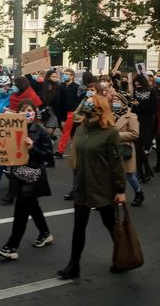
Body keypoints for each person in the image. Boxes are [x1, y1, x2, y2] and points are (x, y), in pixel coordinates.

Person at [58, 94, 126, 279]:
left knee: (110, 224)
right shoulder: (81, 129)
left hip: (102, 186)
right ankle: (74, 265)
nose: (87, 106)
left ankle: (122, 258)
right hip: (82, 184)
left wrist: (120, 190)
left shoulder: (110, 133)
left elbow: (116, 162)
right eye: (87, 103)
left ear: (100, 108)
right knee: (78, 227)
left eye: (91, 104)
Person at [0, 101, 53, 261]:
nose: (27, 113)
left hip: (33, 175)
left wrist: (32, 147)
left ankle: (11, 247)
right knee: (33, 207)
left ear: (35, 113)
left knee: (21, 210)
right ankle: (45, 233)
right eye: (23, 110)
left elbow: (48, 156)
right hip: (17, 174)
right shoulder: (13, 130)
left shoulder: (41, 131)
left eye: (30, 110)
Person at [112, 93, 144, 207]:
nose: (114, 103)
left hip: (125, 148)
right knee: (114, 174)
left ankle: (139, 193)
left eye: (117, 101)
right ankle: (116, 196)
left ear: (124, 103)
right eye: (113, 101)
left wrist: (117, 135)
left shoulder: (131, 116)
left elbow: (135, 134)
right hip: (112, 149)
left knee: (129, 174)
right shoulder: (111, 115)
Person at [131, 74, 157, 183]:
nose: (137, 86)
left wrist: (139, 105)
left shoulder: (151, 93)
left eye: (139, 84)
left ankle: (144, 171)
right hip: (136, 121)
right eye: (135, 84)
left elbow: (153, 109)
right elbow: (133, 108)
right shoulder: (135, 92)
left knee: (139, 147)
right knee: (137, 148)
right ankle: (143, 171)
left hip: (146, 123)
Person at [54, 68, 83, 160]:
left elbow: (80, 101)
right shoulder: (60, 87)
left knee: (66, 132)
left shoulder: (77, 87)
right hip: (63, 113)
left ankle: (60, 151)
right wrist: (61, 118)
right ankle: (79, 150)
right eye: (64, 74)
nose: (64, 75)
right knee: (71, 133)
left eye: (67, 74)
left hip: (72, 113)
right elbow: (59, 102)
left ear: (72, 76)